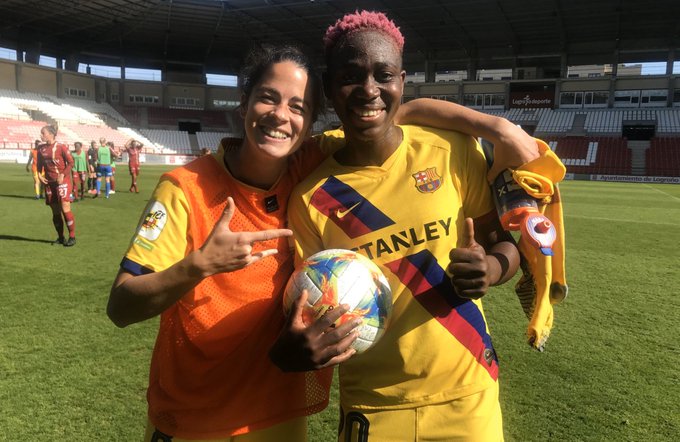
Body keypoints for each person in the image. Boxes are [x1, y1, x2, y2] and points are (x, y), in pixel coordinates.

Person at [107, 43, 537, 441]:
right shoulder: (186, 189)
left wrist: (495, 126)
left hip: (280, 416)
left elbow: (397, 112)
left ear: (311, 120)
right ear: (243, 103)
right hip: (194, 416)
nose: (281, 115)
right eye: (268, 98)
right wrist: (198, 265)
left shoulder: (309, 163)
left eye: (298, 106)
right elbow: (121, 306)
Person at [281, 11, 521, 441]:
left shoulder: (453, 150)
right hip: (373, 408)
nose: (369, 90)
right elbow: (307, 306)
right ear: (330, 86)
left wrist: (491, 268)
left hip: (468, 399)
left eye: (383, 75)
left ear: (401, 82)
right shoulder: (311, 198)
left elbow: (506, 248)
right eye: (351, 76)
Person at [36, 125, 77, 247]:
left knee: (65, 208)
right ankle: (60, 237)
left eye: (43, 133)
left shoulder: (61, 147)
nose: (41, 135)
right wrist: (39, 174)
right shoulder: (41, 148)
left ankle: (72, 237)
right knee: (55, 211)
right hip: (49, 183)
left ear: (51, 134)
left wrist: (62, 175)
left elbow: (71, 162)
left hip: (62, 182)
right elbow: (39, 164)